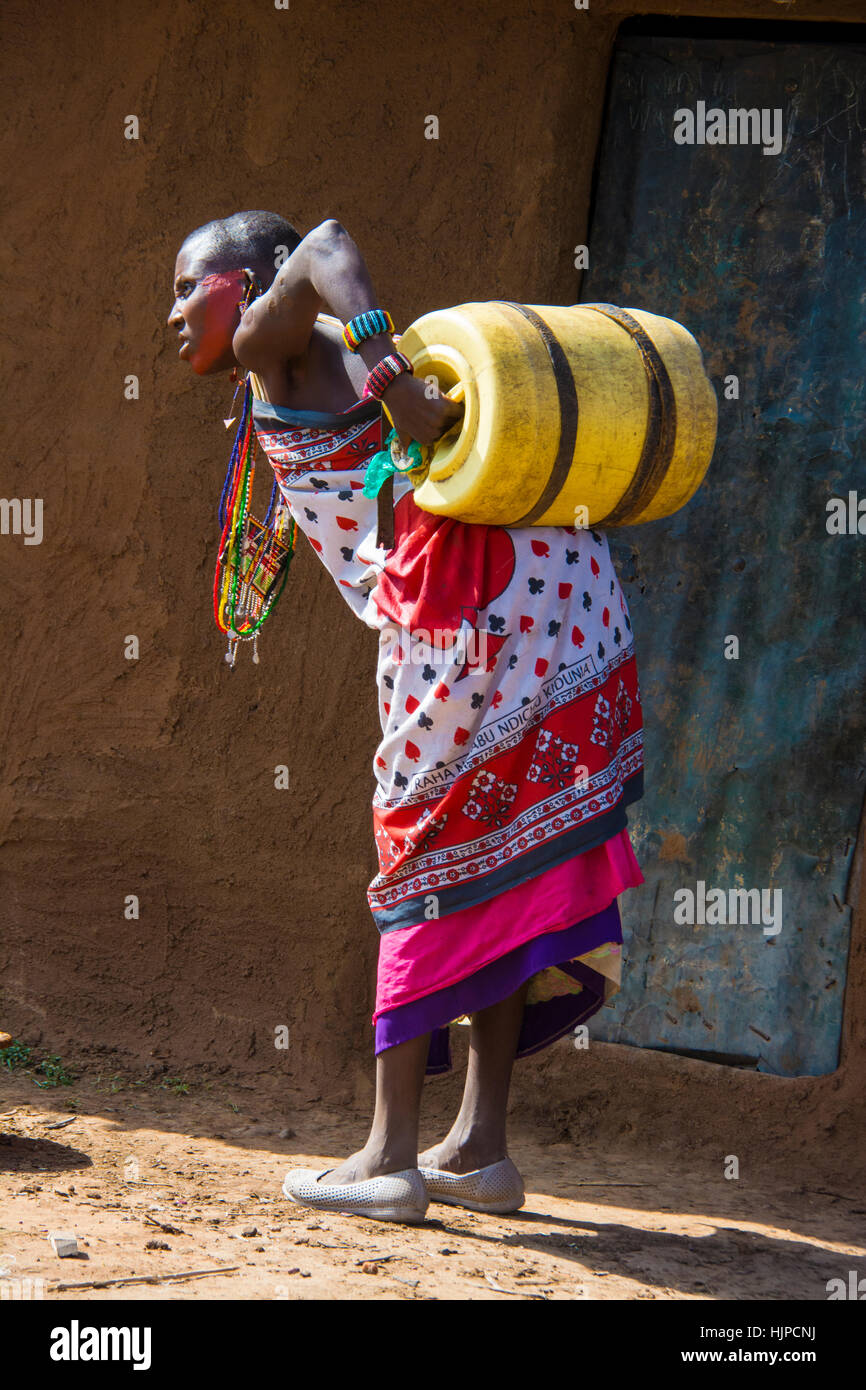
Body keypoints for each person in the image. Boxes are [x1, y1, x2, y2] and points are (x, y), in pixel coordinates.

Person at [168, 212, 645, 1223]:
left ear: (250, 284)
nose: (174, 314)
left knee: (419, 856)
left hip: (461, 608)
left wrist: (385, 359)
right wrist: (390, 376)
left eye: (189, 286)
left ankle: (388, 1158)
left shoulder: (275, 341)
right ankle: (478, 1147)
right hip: (559, 588)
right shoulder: (316, 364)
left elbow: (326, 241)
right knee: (492, 854)